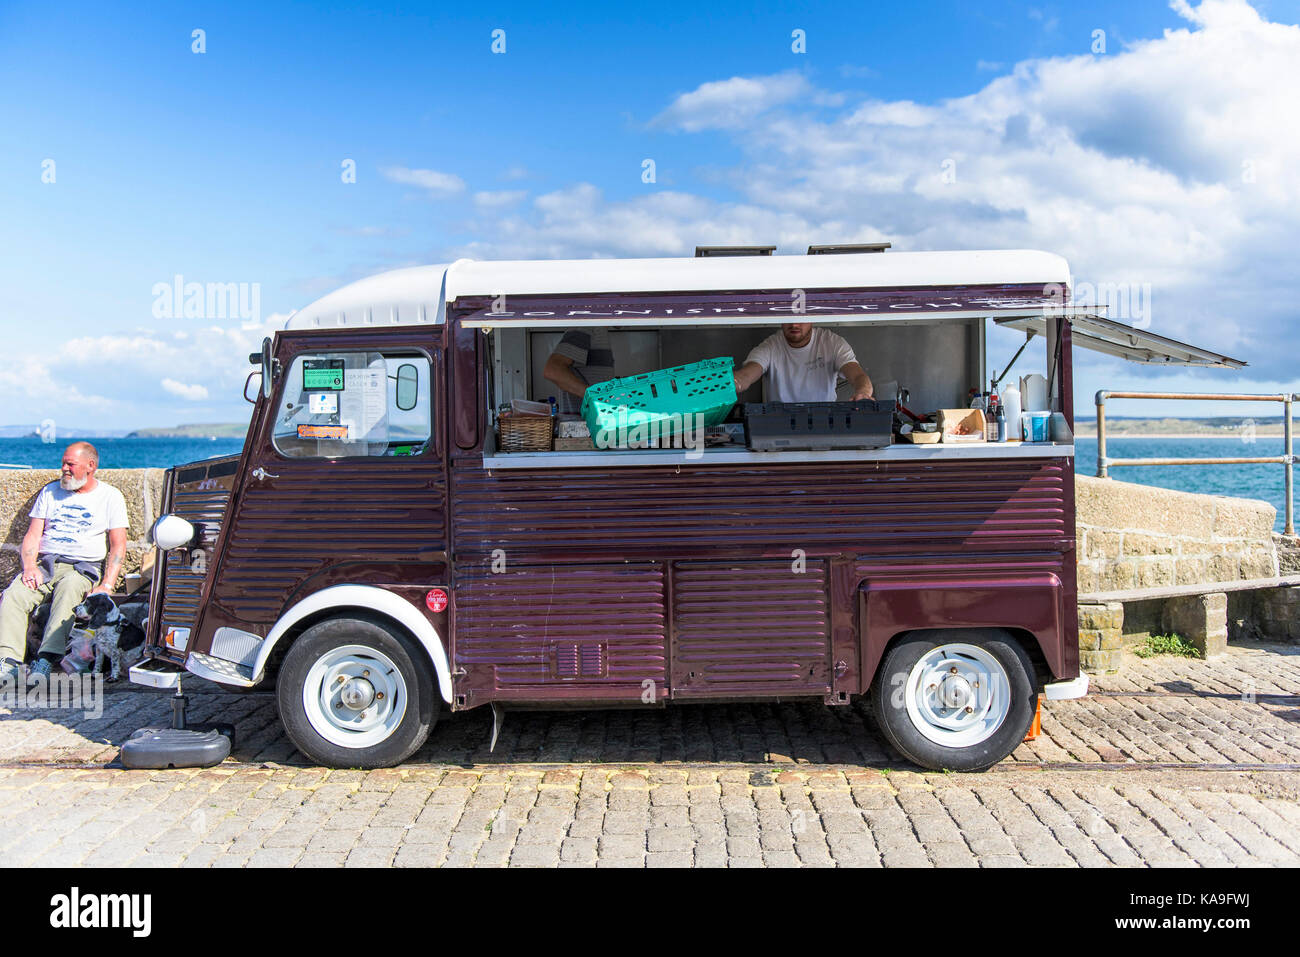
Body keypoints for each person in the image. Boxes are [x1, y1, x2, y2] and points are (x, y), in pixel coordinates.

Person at [0, 442, 128, 685]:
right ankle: (9, 662)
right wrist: (29, 566)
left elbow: (118, 544)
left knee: (69, 591)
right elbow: (33, 535)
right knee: (14, 594)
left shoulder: (110, 496)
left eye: (70, 464)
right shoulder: (50, 492)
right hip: (46, 564)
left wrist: (108, 585)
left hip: (83, 566)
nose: (64, 469)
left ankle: (46, 659)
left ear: (91, 466)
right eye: (63, 463)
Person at [733, 322, 873, 403]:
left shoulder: (832, 343)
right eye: (788, 318)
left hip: (825, 426)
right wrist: (727, 383)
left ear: (812, 318)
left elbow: (857, 376)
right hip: (778, 428)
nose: (794, 324)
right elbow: (745, 376)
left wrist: (864, 393)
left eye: (801, 318)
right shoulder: (770, 346)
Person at [542, 328, 617, 414]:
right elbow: (553, 370)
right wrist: (594, 397)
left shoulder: (597, 331)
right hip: (582, 423)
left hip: (598, 420)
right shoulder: (586, 328)